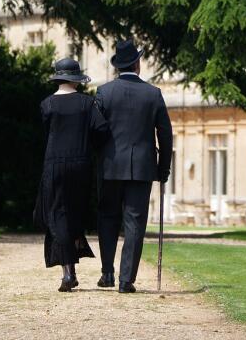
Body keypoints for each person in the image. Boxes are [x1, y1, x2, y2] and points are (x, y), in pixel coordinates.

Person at [94, 40, 173, 293]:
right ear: (137, 64)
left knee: (107, 218)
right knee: (135, 223)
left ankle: (107, 273)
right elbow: (166, 135)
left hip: (110, 166)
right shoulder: (153, 94)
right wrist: (164, 168)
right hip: (142, 167)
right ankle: (126, 280)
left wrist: (99, 158)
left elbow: (96, 131)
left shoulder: (104, 92)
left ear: (118, 66)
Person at [33, 57, 108, 292]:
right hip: (81, 164)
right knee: (76, 212)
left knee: (57, 215)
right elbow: (102, 129)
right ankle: (71, 269)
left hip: (54, 164)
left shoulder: (47, 104)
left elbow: (46, 135)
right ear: (76, 79)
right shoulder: (88, 104)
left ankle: (68, 272)